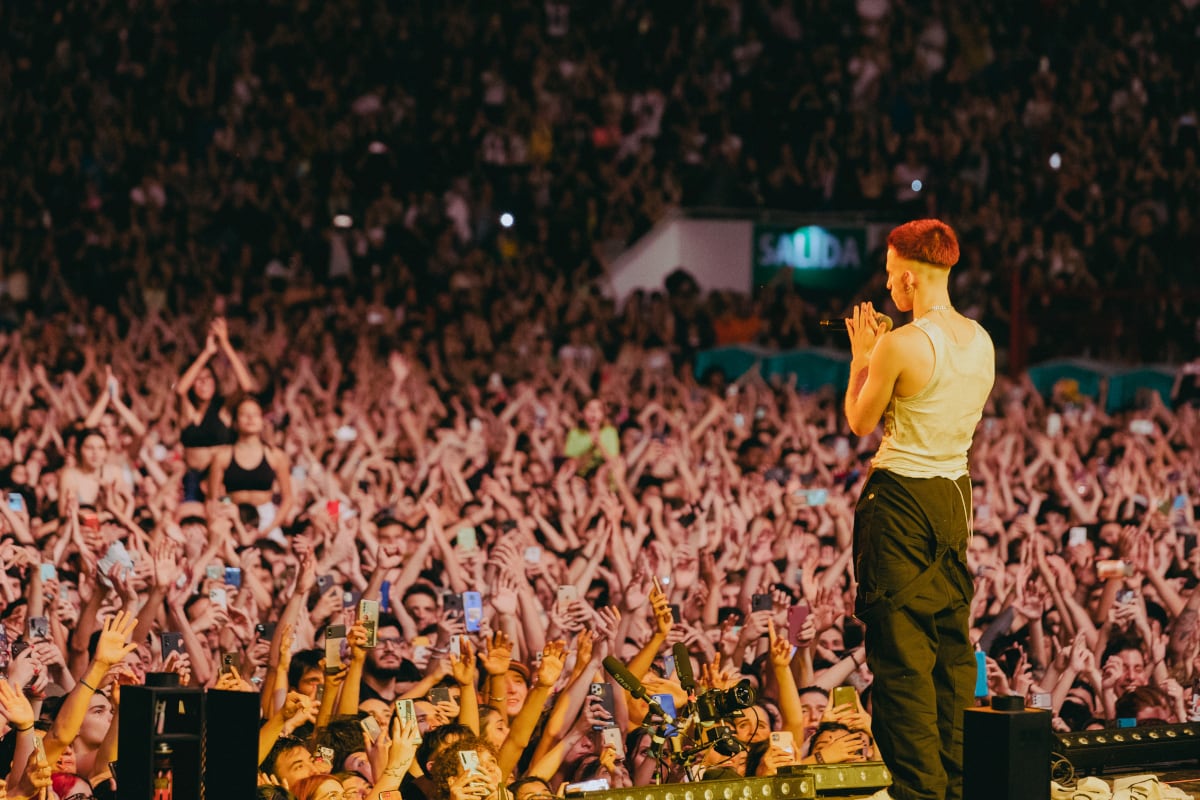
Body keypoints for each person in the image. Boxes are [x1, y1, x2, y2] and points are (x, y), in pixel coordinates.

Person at [843, 219, 995, 800]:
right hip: (955, 500)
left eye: (888, 277)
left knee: (903, 665)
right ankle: (959, 788)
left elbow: (858, 422)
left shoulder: (901, 344)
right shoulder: (981, 340)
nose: (887, 290)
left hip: (901, 502)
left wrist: (862, 356)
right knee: (950, 653)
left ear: (908, 275)